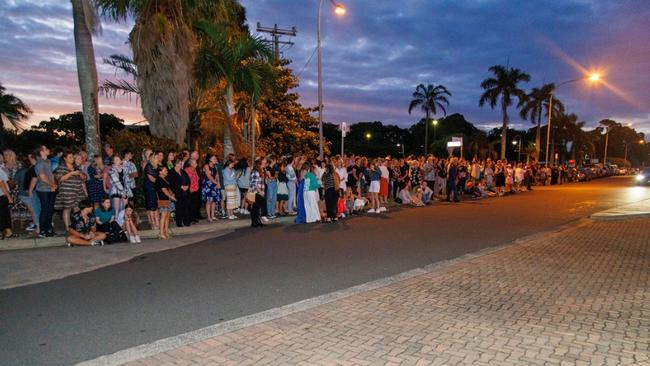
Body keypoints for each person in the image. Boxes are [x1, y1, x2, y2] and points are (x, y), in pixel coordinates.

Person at [54, 150, 87, 231]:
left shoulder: (76, 167)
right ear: (65, 158)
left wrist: (80, 174)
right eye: (70, 157)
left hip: (78, 192)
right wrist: (71, 173)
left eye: (72, 157)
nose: (72, 159)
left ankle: (77, 225)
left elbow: (84, 178)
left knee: (77, 208)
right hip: (67, 192)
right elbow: (59, 179)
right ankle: (67, 227)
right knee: (67, 209)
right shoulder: (61, 168)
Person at [35, 145, 57, 237]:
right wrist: (52, 185)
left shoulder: (48, 161)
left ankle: (49, 229)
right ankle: (43, 230)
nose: (48, 150)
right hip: (43, 190)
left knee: (49, 210)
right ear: (41, 152)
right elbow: (43, 178)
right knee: (45, 210)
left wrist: (54, 185)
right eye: (46, 149)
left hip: (50, 189)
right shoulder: (39, 163)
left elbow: (50, 175)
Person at [169, 159, 191, 227]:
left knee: (186, 207)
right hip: (177, 192)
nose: (181, 165)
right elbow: (172, 183)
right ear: (176, 164)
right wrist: (181, 186)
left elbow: (188, 180)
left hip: (186, 192)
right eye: (180, 163)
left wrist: (187, 186)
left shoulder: (183, 171)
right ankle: (179, 222)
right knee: (179, 208)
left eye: (181, 163)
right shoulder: (172, 172)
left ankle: (186, 222)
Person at [155, 166, 175, 239]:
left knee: (167, 216)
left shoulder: (164, 179)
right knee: (163, 216)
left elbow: (168, 189)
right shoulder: (159, 179)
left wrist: (172, 194)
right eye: (165, 170)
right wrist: (171, 196)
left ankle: (166, 231)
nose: (167, 171)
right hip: (162, 200)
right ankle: (161, 233)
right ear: (160, 172)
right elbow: (164, 190)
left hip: (167, 200)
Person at [143, 151, 162, 230]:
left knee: (156, 205)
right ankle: (153, 224)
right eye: (157, 157)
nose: (158, 159)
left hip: (155, 187)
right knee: (151, 206)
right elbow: (152, 179)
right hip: (149, 187)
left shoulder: (156, 166)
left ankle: (157, 222)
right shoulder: (148, 166)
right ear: (152, 158)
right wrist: (160, 183)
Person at [202, 154, 221, 222]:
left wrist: (218, 182)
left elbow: (217, 175)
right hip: (208, 185)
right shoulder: (206, 166)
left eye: (215, 158)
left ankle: (213, 216)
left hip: (214, 184)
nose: (215, 160)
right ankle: (209, 217)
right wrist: (216, 183)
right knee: (209, 201)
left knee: (214, 201)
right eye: (214, 158)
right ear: (209, 159)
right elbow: (209, 176)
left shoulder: (215, 166)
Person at [249, 158, 268, 227]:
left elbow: (261, 182)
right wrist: (260, 192)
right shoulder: (255, 171)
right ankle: (254, 222)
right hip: (255, 192)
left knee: (257, 207)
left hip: (260, 191)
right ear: (259, 164)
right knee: (255, 207)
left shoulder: (261, 171)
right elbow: (254, 183)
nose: (265, 164)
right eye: (264, 163)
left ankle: (257, 221)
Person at [184, 159, 201, 224]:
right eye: (195, 163)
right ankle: (189, 219)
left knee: (194, 205)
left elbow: (197, 178)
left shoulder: (195, 170)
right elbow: (186, 181)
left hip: (196, 189)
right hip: (190, 190)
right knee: (189, 205)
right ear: (191, 164)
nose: (196, 164)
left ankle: (194, 218)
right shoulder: (186, 170)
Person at [0, 165, 13, 239]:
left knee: (4, 214)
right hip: (2, 195)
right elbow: (2, 184)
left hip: (2, 195)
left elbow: (2, 183)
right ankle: (7, 232)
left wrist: (8, 196)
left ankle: (6, 232)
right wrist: (8, 196)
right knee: (4, 214)